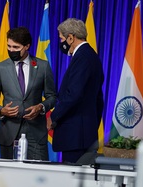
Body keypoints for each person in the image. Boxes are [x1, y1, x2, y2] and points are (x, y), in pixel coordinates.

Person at [0, 27, 56, 160]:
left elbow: (52, 97)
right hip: (9, 133)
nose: (11, 50)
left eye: (16, 47)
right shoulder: (0, 68)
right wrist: (1, 111)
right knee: (8, 177)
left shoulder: (42, 66)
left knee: (36, 176)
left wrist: (40, 107)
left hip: (36, 133)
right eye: (9, 46)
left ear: (27, 46)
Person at [47, 18, 104, 163]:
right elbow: (99, 99)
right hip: (84, 133)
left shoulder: (82, 57)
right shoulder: (92, 56)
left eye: (61, 38)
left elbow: (73, 94)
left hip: (76, 135)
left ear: (70, 37)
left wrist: (53, 117)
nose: (61, 43)